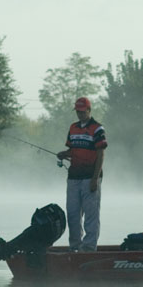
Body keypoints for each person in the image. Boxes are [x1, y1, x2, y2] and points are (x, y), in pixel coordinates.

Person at [56, 97, 107, 251]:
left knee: (91, 216)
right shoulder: (73, 128)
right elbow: (73, 150)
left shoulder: (98, 129)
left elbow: (101, 154)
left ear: (89, 110)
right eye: (78, 111)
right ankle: (75, 248)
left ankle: (89, 248)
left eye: (82, 111)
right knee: (72, 215)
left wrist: (95, 178)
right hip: (73, 178)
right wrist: (64, 154)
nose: (80, 114)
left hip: (90, 177)